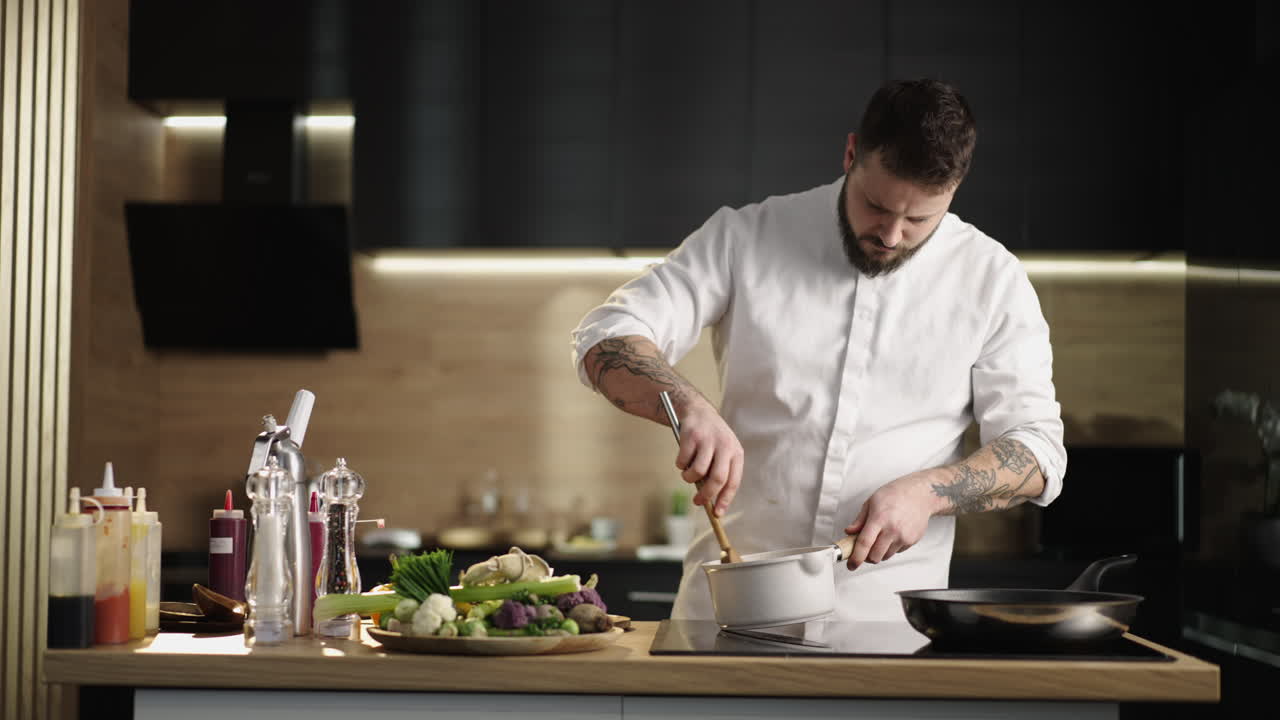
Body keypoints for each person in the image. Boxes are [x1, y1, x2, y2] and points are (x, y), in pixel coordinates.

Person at [569, 78, 1066, 622]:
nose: (893, 235)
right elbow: (607, 333)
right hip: (726, 617)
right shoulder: (745, 238)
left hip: (891, 628)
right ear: (851, 153)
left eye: (920, 218)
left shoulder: (993, 280)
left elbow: (1037, 451)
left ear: (955, 188)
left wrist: (931, 491)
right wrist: (685, 403)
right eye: (876, 205)